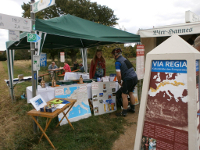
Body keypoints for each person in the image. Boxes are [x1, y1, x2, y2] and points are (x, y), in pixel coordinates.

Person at [112, 48, 138, 117]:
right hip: (135, 77)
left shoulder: (117, 62)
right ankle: (132, 108)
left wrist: (119, 81)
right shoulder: (125, 59)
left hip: (128, 79)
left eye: (113, 55)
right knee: (131, 93)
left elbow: (118, 75)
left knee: (124, 95)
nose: (113, 56)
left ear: (115, 55)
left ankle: (124, 112)